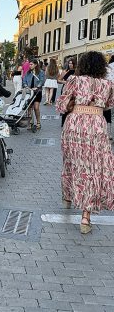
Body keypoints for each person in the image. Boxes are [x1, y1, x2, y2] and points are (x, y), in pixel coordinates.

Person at [55, 51, 114, 234]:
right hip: (96, 126)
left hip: (75, 125)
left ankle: (68, 197)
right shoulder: (108, 84)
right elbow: (108, 105)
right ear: (101, 67)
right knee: (93, 169)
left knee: (72, 162)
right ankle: (86, 217)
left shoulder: (74, 80)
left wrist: (75, 105)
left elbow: (62, 106)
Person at [23, 59, 45, 131]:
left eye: (31, 64)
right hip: (30, 92)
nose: (30, 65)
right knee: (29, 108)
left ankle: (38, 122)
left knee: (36, 107)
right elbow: (24, 80)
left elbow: (42, 80)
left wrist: (38, 86)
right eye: (29, 64)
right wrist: (26, 86)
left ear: (36, 65)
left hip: (37, 92)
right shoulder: (28, 73)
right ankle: (30, 122)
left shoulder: (41, 72)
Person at [58, 58, 76, 127]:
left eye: (72, 63)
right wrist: (66, 82)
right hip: (65, 90)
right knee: (65, 105)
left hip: (73, 90)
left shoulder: (77, 72)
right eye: (69, 63)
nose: (70, 65)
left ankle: (71, 122)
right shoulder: (65, 71)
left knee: (72, 105)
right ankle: (64, 122)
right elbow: (59, 80)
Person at [105, 55, 114, 140]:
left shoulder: (108, 68)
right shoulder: (109, 69)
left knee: (110, 115)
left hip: (109, 94)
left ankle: (109, 133)